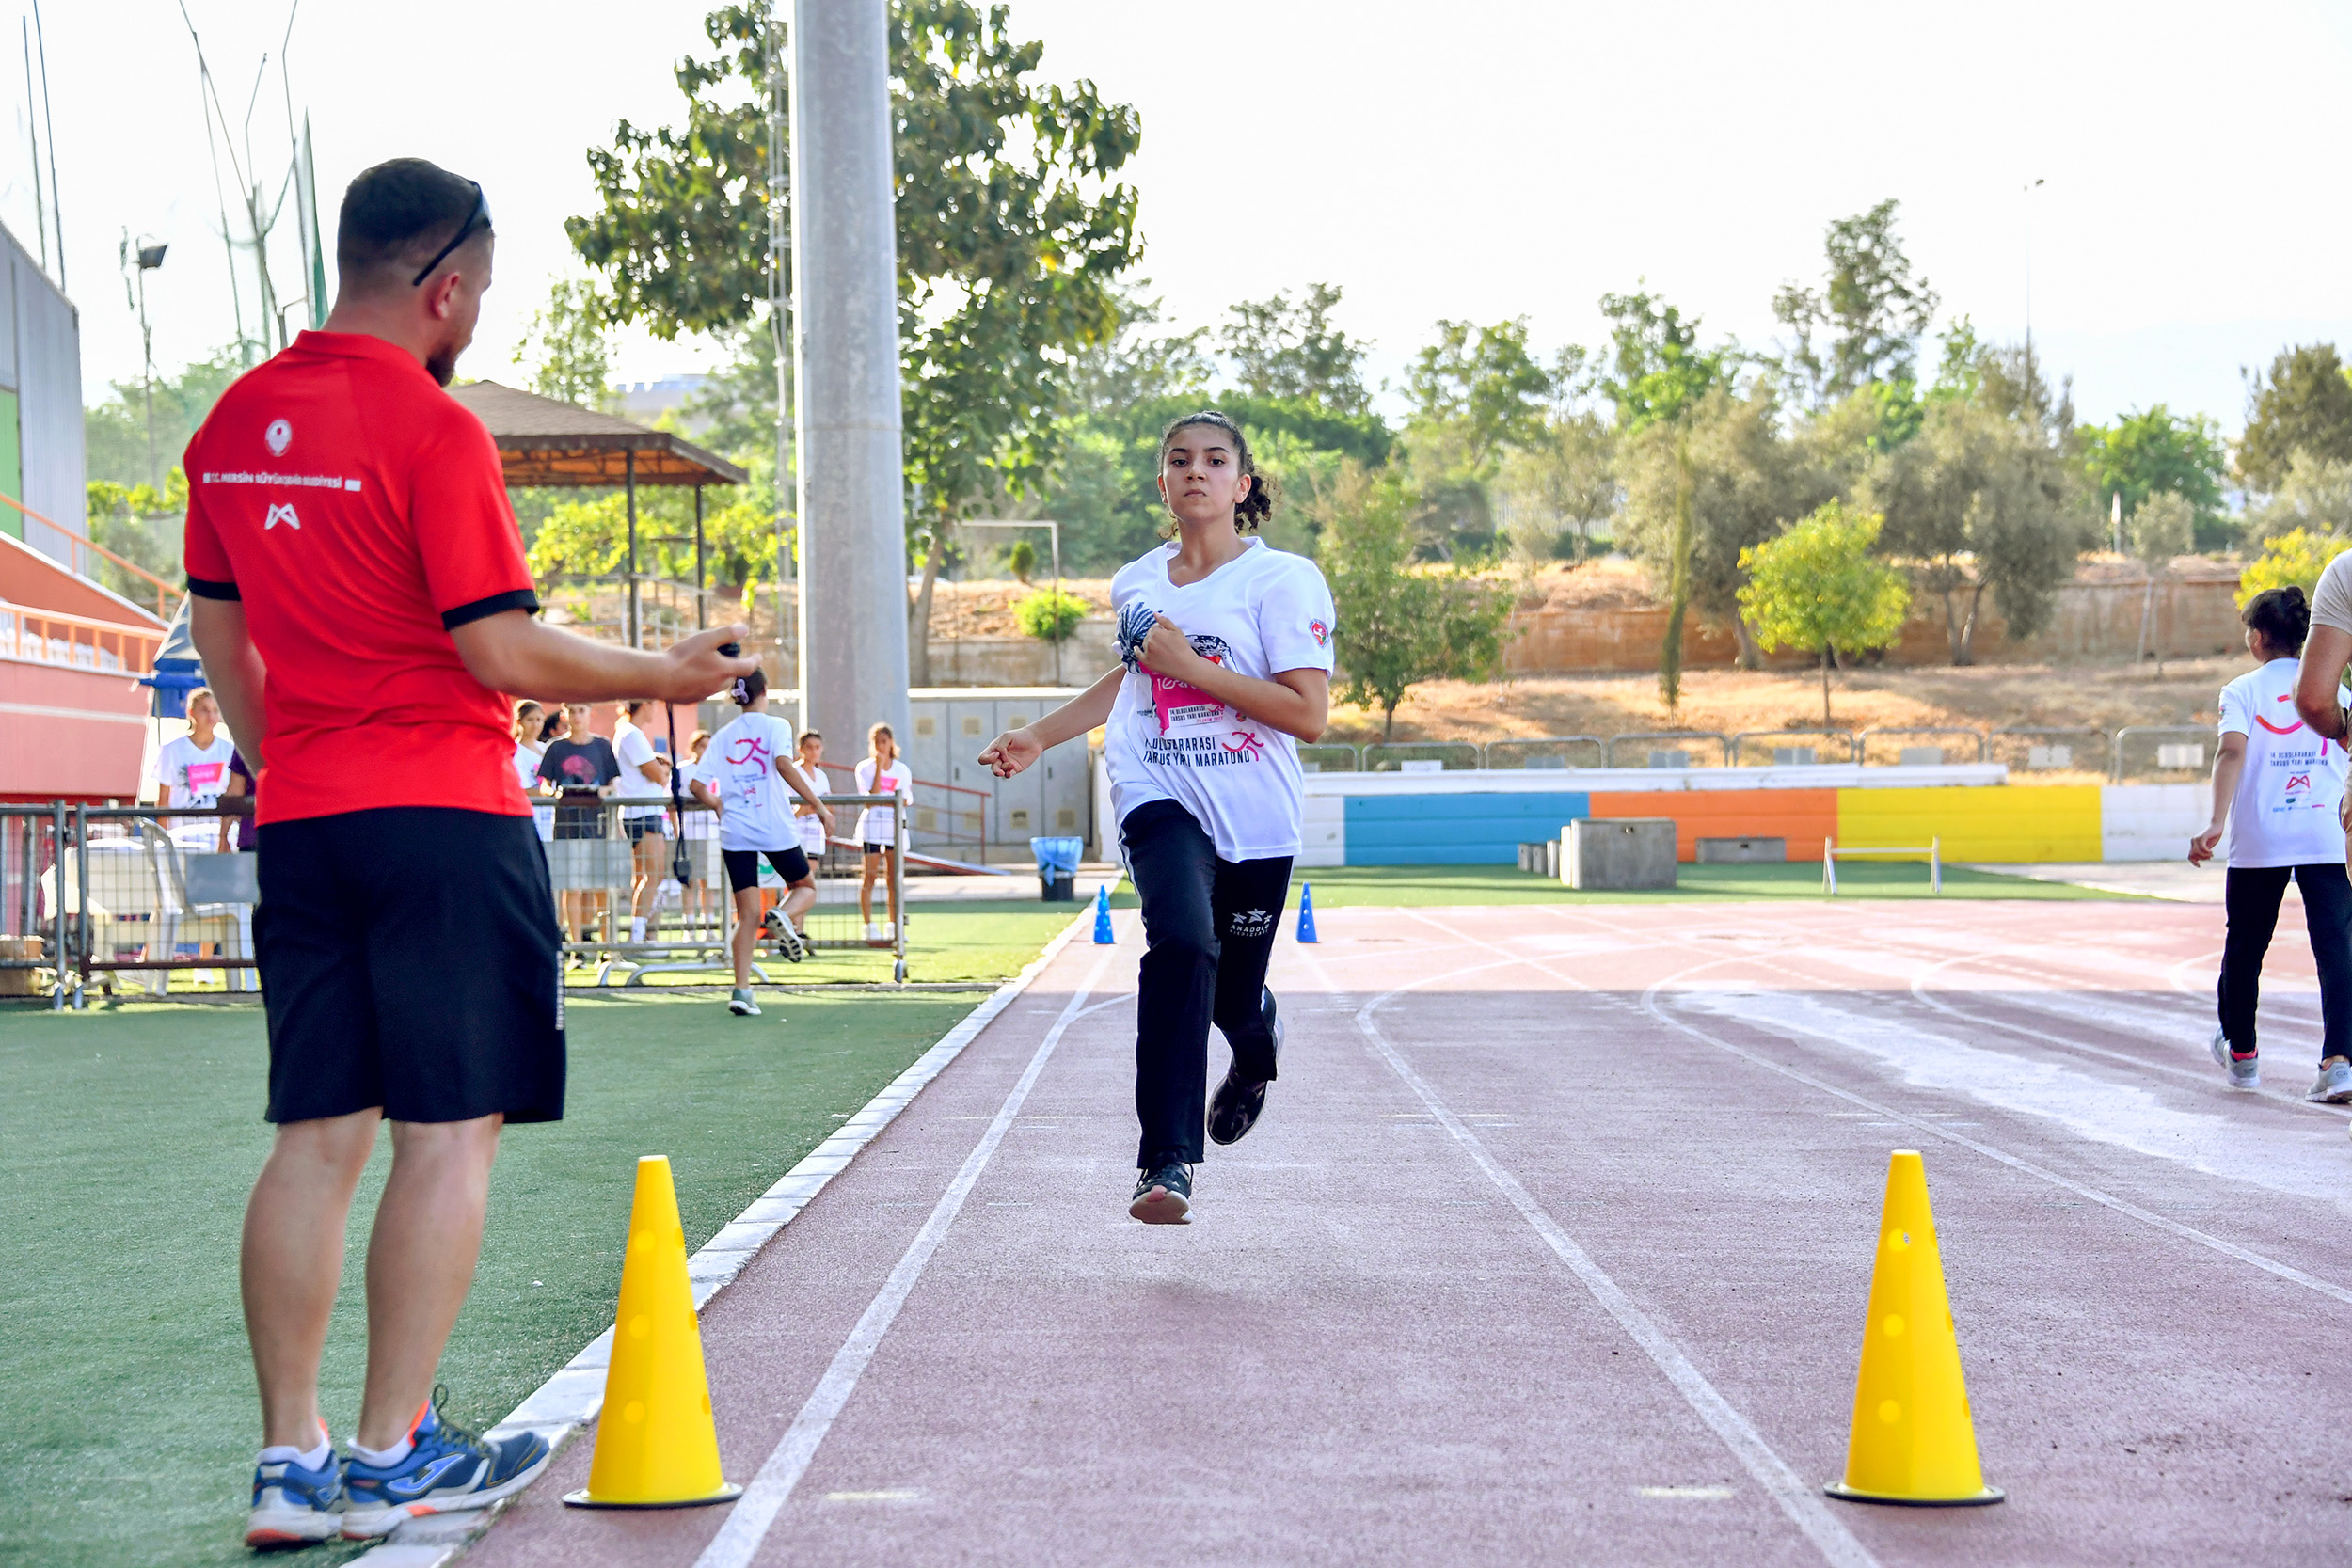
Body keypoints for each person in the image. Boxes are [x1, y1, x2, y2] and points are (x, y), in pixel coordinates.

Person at [182, 156, 755, 1548]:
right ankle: (390, 1450)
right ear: (444, 285)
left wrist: (289, 761)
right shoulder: (435, 435)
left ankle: (289, 1457)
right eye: (481, 294)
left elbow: (220, 638)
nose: (477, 318)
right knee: (448, 1134)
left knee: (316, 1135)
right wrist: (667, 672)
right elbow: (493, 644)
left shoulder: (232, 422)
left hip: (309, 820)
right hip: (441, 814)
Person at [978, 410, 1334, 1224]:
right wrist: (1039, 733)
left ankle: (1256, 1042)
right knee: (1179, 939)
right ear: (1164, 483)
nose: (1196, 471)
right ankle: (1165, 1161)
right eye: (1180, 460)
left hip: (1255, 812)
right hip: (1157, 788)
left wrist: (1195, 668)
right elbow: (1134, 681)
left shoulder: (1283, 582)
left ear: (1241, 485)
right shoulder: (1137, 581)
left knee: (1231, 997)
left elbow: (1307, 713)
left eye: (1215, 460)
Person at [2196, 586, 2352, 1101]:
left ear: (2258, 638)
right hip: (2326, 833)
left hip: (2263, 835)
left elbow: (2230, 754)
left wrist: (2216, 820)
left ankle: (2241, 1053)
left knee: (2245, 948)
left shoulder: (2241, 690)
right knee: (2338, 950)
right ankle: (2339, 1062)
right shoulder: (2338, 690)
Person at [689, 667, 833, 1014]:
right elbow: (784, 765)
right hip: (773, 824)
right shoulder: (777, 726)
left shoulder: (723, 735)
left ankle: (741, 991)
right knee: (806, 886)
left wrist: (718, 804)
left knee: (746, 914)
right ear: (765, 690)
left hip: (735, 830)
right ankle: (781, 915)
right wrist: (818, 806)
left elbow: (696, 785)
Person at [536, 703, 621, 942]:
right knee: (572, 888)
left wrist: (606, 791)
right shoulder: (556, 748)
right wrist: (554, 794)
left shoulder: (602, 746)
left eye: (581, 710)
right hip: (566, 826)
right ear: (565, 715)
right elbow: (545, 784)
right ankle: (577, 947)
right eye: (572, 711)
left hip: (599, 825)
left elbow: (614, 783)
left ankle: (606, 947)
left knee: (602, 888)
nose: (577, 716)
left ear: (590, 713)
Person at [611, 699, 672, 942]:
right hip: (643, 812)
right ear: (644, 705)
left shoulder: (626, 732)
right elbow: (658, 775)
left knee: (645, 876)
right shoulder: (631, 734)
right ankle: (638, 935)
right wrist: (659, 769)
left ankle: (642, 933)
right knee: (654, 875)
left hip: (637, 812)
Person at [157, 686, 238, 849]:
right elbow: (163, 799)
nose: (211, 716)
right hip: (183, 836)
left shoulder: (229, 750)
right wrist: (162, 838)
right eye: (205, 710)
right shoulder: (171, 749)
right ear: (191, 712)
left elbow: (235, 793)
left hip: (219, 834)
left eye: (215, 710)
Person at [853, 723, 912, 942]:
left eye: (884, 741)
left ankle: (894, 925)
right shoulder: (864, 768)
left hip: (893, 831)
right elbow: (870, 800)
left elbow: (904, 801)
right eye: (876, 742)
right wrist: (878, 768)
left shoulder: (902, 770)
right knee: (869, 877)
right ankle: (868, 925)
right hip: (872, 830)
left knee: (893, 879)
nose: (880, 746)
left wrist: (886, 802)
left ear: (891, 743)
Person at [511, 701, 554, 843]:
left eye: (539, 719)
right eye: (530, 720)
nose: (535, 725)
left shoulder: (545, 748)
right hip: (531, 813)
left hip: (549, 814)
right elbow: (522, 788)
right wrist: (550, 793)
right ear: (519, 722)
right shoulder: (515, 752)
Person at [792, 729, 832, 874]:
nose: (814, 752)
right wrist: (804, 809)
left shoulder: (821, 776)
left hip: (815, 833)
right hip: (797, 832)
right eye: (809, 747)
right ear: (800, 749)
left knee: (809, 877)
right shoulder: (793, 772)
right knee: (795, 877)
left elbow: (829, 805)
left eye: (817, 747)